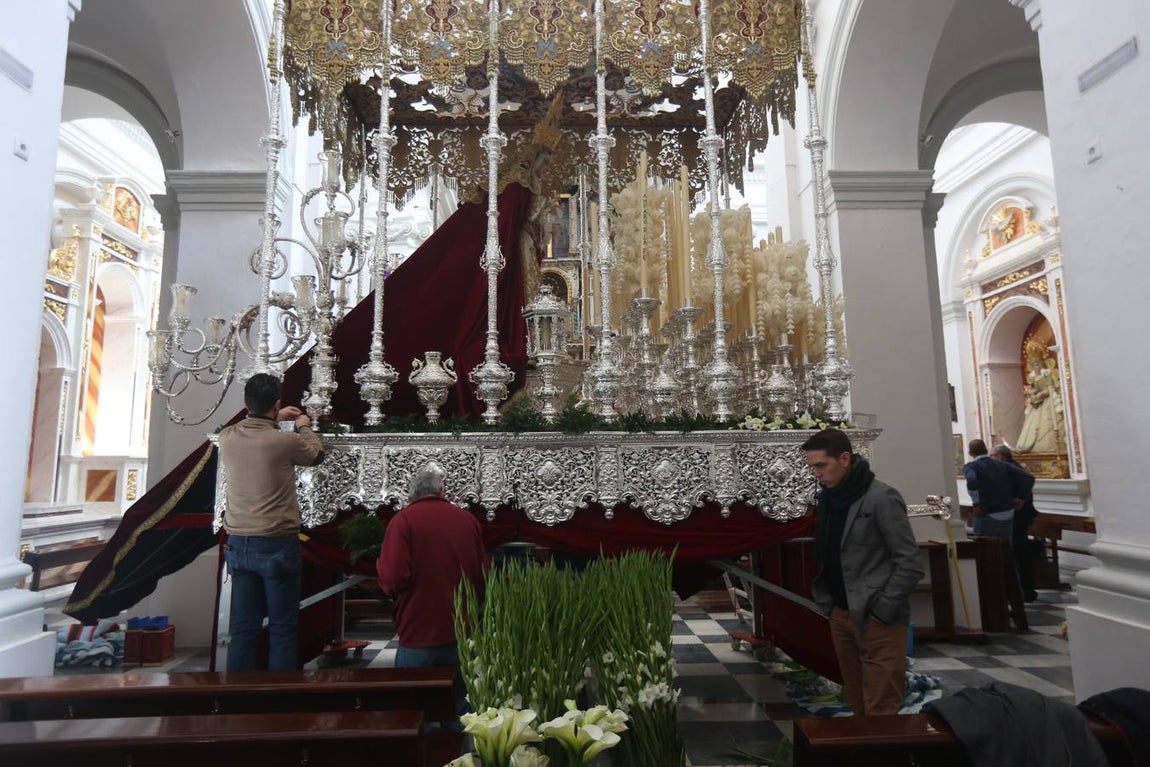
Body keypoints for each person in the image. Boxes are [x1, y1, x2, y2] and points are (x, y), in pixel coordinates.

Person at [804, 428, 925, 716]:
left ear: (844, 458)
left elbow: (909, 562)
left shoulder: (881, 497)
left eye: (821, 465)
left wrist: (883, 609)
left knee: (881, 706)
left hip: (877, 618)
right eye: (812, 467)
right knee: (857, 700)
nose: (816, 473)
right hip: (842, 613)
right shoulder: (829, 499)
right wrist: (831, 606)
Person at [218, 373, 325, 672]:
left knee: (244, 628)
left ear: (245, 402)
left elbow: (251, 425)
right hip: (276, 543)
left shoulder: (227, 437)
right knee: (282, 628)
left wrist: (273, 414)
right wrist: (305, 426)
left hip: (238, 543)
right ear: (276, 402)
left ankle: (237, 700)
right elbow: (315, 455)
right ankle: (281, 703)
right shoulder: (284, 441)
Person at [377, 463, 489, 728]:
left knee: (416, 713)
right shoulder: (466, 519)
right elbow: (483, 577)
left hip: (418, 631)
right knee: (459, 707)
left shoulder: (403, 521)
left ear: (410, 495)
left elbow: (392, 577)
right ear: (443, 490)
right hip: (461, 629)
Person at [992, 444, 1040, 602]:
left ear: (1000, 456)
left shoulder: (1008, 467)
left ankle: (1024, 591)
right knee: (1019, 554)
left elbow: (1029, 479)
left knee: (1019, 554)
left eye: (992, 456)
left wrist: (1020, 499)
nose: (991, 460)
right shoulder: (1011, 466)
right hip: (1018, 515)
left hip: (1018, 516)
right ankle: (1024, 590)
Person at [963, 439, 1034, 540]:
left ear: (970, 453)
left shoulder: (971, 466)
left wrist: (976, 502)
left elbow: (972, 480)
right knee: (1006, 549)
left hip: (987, 511)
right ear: (986, 450)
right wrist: (1021, 498)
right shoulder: (1002, 464)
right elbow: (1029, 478)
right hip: (1008, 512)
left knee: (985, 549)